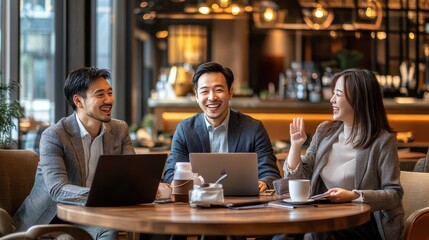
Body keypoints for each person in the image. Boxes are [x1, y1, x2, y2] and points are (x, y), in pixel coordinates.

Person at [13, 67, 135, 240]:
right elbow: (57, 189)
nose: (109, 100)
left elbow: (133, 175)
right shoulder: (54, 135)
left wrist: (153, 186)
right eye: (100, 95)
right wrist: (102, 195)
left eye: (110, 93)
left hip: (94, 215)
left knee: (126, 229)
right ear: (78, 101)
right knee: (109, 230)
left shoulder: (120, 129)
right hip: (53, 218)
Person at [281, 69, 403, 240]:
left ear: (358, 99)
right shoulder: (325, 131)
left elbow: (394, 193)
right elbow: (298, 178)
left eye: (337, 94)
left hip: (362, 224)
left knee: (319, 231)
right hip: (320, 218)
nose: (332, 100)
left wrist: (354, 196)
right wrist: (295, 147)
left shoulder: (383, 141)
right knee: (283, 234)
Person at [163, 61, 281, 191]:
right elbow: (171, 174)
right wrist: (177, 182)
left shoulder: (253, 128)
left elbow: (270, 173)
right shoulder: (185, 130)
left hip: (243, 206)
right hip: (197, 205)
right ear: (196, 96)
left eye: (218, 90)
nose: (212, 97)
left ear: (230, 92)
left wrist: (264, 182)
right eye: (205, 91)